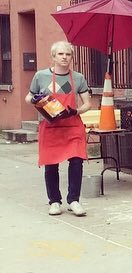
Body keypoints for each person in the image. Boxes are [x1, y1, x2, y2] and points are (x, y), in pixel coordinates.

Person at [25, 41, 94, 217]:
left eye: (68, 54)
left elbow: (87, 104)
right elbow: (28, 97)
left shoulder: (78, 78)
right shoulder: (41, 76)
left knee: (77, 161)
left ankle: (74, 200)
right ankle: (54, 201)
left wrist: (76, 111)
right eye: (61, 54)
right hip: (50, 127)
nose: (64, 57)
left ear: (72, 57)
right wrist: (35, 100)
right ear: (53, 56)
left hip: (72, 125)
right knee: (51, 164)